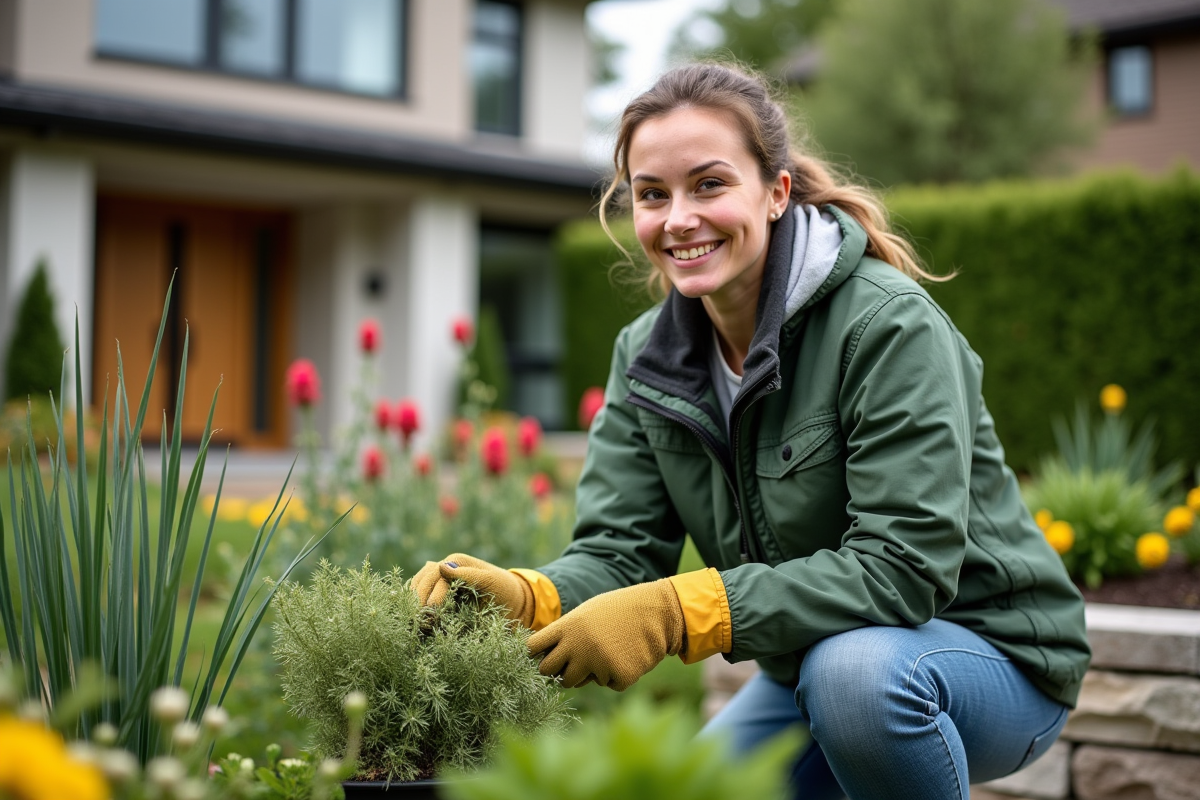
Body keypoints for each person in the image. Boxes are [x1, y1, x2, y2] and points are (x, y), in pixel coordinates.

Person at [411, 63, 1090, 800]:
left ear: (776, 192)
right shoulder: (646, 357)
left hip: (988, 659)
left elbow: (903, 567)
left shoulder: (887, 327)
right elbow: (620, 551)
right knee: (681, 789)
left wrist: (680, 612)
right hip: (812, 669)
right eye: (652, 194)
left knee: (856, 676)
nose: (678, 219)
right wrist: (529, 597)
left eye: (709, 184)